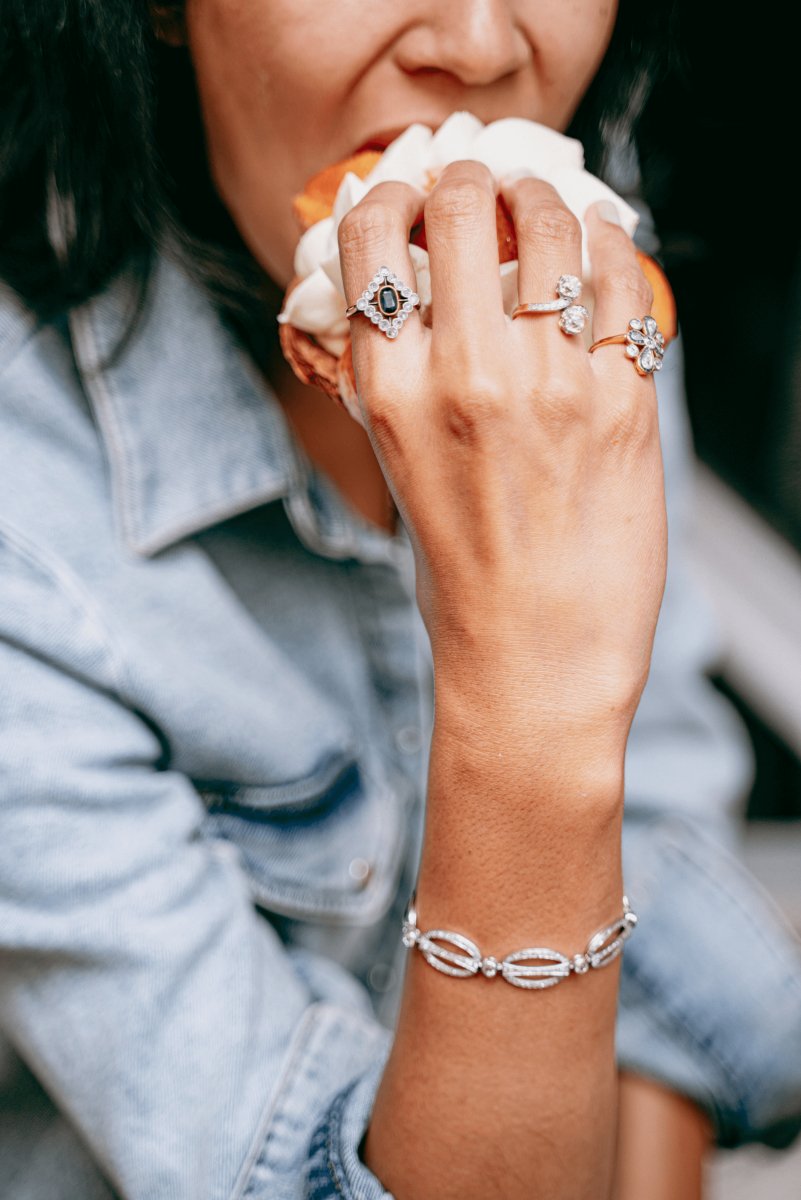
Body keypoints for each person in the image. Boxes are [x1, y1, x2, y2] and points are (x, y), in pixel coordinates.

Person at [1, 2, 800, 1198]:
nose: (480, 46)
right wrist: (527, 699)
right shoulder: (29, 525)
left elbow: (662, 810)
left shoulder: (555, 229)